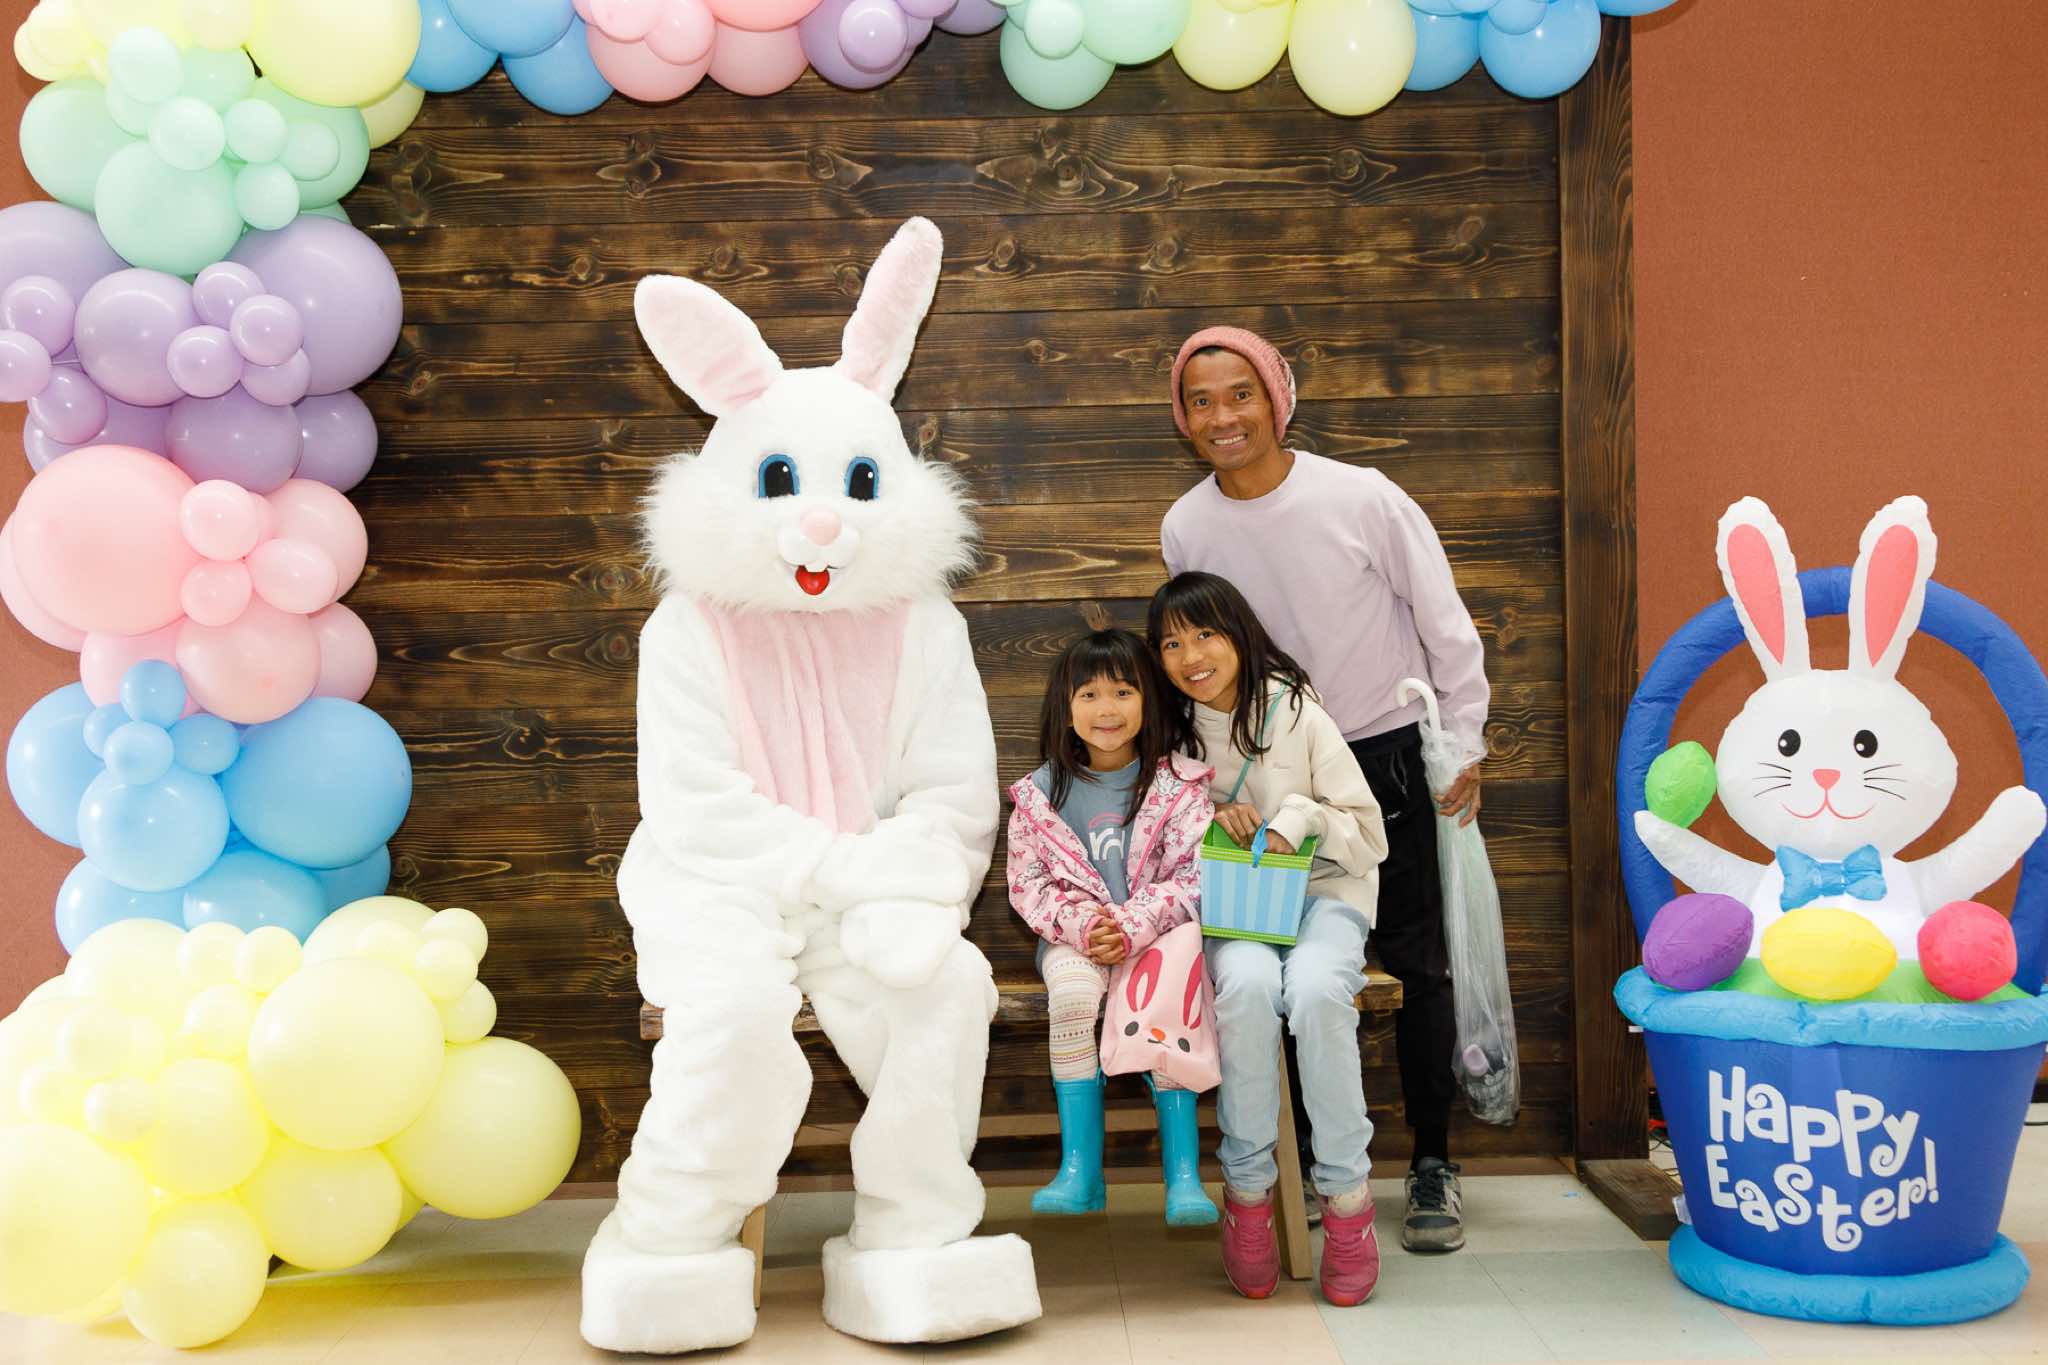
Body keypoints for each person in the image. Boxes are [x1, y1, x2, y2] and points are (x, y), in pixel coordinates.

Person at [1160, 326, 1491, 1254]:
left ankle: (1432, 1160)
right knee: (1281, 961)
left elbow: (1444, 621)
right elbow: (1204, 656)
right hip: (1270, 766)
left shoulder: (1362, 496)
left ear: (1277, 396)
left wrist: (1461, 741)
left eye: (1241, 393)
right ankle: (1310, 1170)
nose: (1223, 416)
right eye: (1201, 401)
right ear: (1183, 419)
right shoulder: (1187, 525)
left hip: (1384, 753)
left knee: (1418, 964)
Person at [1149, 574, 1388, 1306]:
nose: (1191, 656)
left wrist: (1299, 816)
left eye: (1205, 635)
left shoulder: (1296, 710)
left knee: (1316, 991)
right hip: (1235, 910)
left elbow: (1369, 834)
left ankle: (1346, 1200)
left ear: (1239, 634)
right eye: (1172, 643)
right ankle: (1248, 1194)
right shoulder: (1168, 732)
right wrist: (1209, 820)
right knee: (1249, 989)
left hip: (1325, 896)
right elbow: (1155, 843)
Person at [1005, 629, 1219, 1226]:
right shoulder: (1041, 795)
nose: (1107, 709)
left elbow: (1194, 876)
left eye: (1123, 692)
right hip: (1076, 940)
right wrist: (1084, 926)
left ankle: (1183, 1174)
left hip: (1159, 936)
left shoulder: (1179, 788)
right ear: (1066, 707)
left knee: (1168, 1007)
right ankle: (1080, 1170)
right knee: (1073, 997)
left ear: (1149, 700)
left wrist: (1131, 926)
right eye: (1090, 695)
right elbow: (1027, 884)